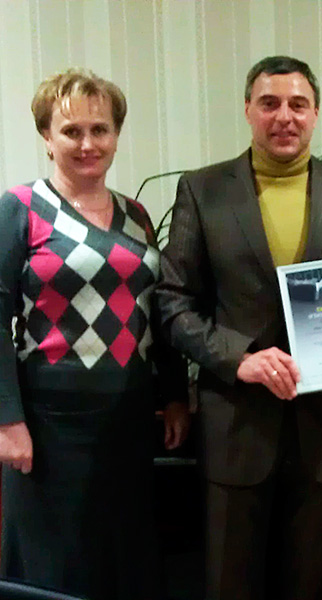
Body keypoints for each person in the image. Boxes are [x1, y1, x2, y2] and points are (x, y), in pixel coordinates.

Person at [156, 56, 322, 600]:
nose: (284, 116)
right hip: (235, 428)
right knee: (229, 585)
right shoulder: (203, 190)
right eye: (270, 103)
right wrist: (240, 358)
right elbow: (173, 303)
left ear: (316, 113)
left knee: (310, 585)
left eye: (298, 104)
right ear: (248, 110)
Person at [0, 68, 190, 599]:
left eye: (100, 129)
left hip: (128, 415)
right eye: (72, 131)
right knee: (56, 565)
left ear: (116, 135)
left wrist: (175, 396)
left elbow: (159, 309)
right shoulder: (20, 208)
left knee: (123, 557)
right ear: (46, 137)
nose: (88, 144)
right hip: (48, 422)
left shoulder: (137, 216)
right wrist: (7, 420)